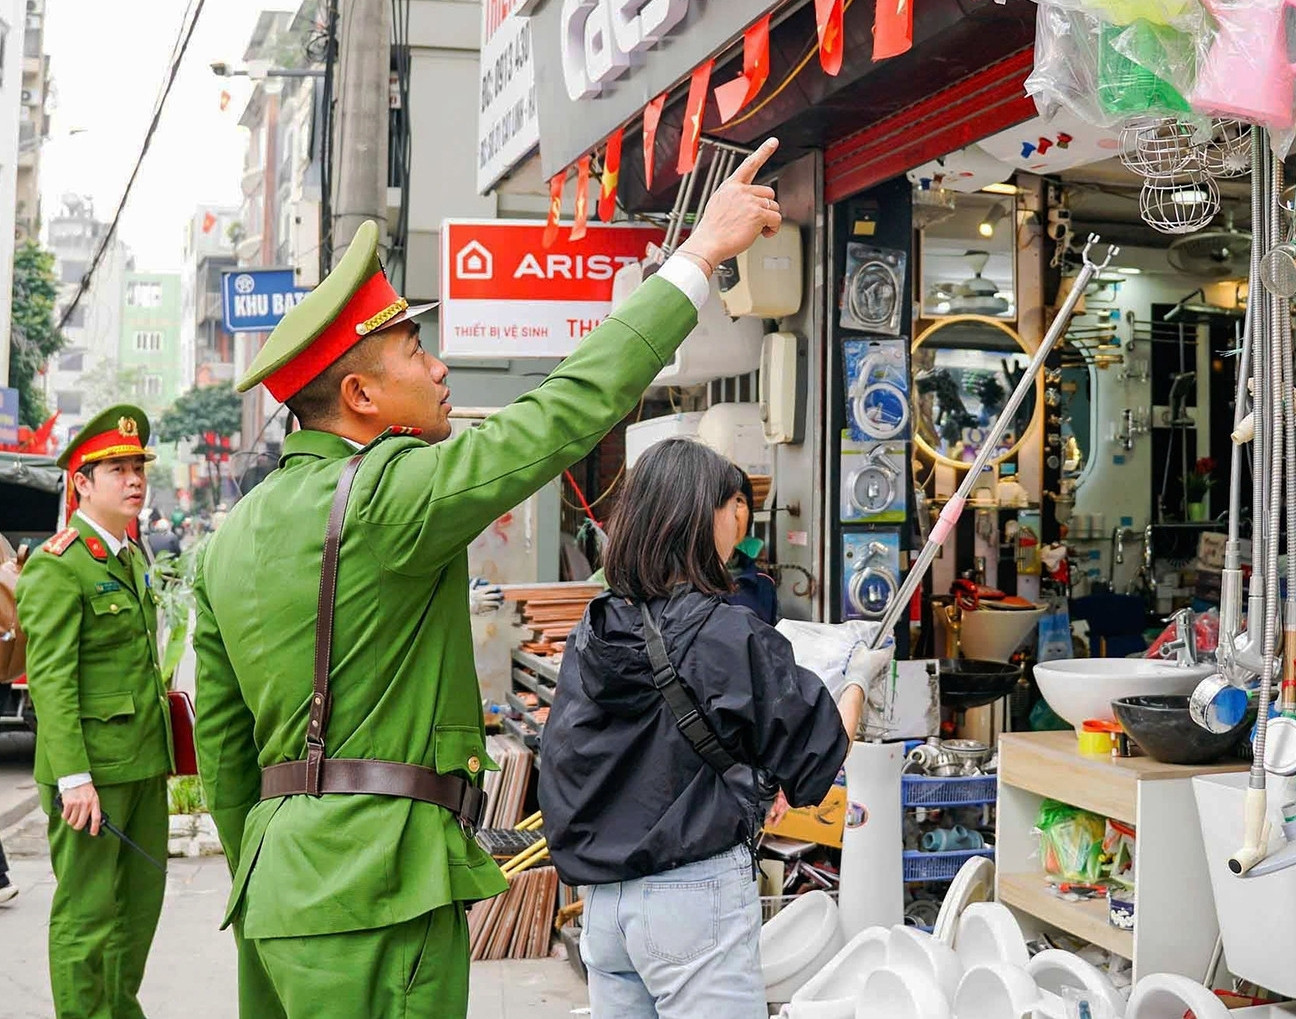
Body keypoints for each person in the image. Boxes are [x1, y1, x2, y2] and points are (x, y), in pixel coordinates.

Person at [190, 138, 785, 1019]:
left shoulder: (225, 541)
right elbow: (563, 409)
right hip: (380, 886)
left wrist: (273, 871)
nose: (438, 368)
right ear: (359, 395)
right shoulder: (387, 494)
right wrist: (699, 256)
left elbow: (226, 755)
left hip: (278, 889)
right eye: (413, 349)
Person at [538, 438, 888, 1019]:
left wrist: (746, 785)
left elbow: (609, 757)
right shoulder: (725, 631)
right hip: (690, 903)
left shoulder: (595, 627)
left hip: (603, 910)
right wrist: (857, 677)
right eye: (735, 510)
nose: (738, 528)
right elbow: (822, 746)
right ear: (704, 517)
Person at [16, 404, 173, 1019]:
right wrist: (74, 777)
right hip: (92, 776)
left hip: (141, 766)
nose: (134, 480)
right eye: (117, 469)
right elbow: (51, 680)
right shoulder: (60, 566)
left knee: (136, 916)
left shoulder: (130, 559)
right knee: (86, 918)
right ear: (82, 482)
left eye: (138, 467)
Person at [724, 464, 781, 624]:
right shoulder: (677, 583)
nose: (732, 511)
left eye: (739, 500)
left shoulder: (762, 582)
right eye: (720, 501)